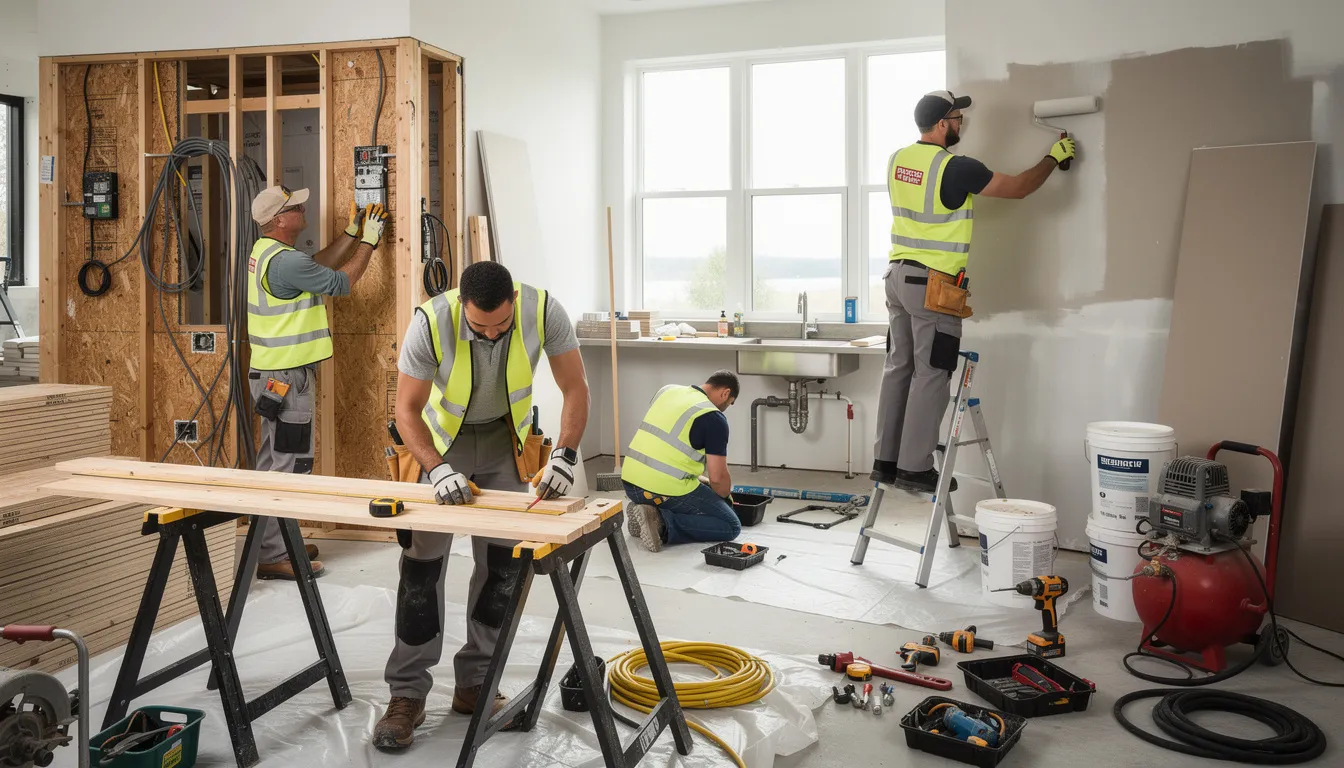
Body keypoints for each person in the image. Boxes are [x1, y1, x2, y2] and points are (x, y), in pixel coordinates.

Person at [373, 260, 590, 749]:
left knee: (500, 570)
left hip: (503, 444)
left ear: (513, 299)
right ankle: (406, 694)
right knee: (421, 571)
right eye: (479, 326)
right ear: (463, 307)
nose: (491, 334)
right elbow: (406, 410)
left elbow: (575, 387)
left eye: (501, 325)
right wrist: (436, 468)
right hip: (441, 442)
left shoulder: (543, 310)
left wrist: (565, 455)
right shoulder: (431, 321)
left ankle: (475, 684)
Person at [871, 90, 1076, 493]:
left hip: (896, 278)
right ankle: (914, 468)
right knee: (933, 373)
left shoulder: (898, 160)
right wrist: (1055, 156)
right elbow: (1018, 188)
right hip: (933, 286)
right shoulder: (955, 167)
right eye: (958, 118)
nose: (962, 123)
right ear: (943, 124)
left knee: (899, 369)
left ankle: (886, 462)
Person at [246, 186, 387, 580]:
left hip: (272, 376)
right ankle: (275, 556)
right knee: (289, 466)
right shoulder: (285, 262)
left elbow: (315, 266)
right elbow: (339, 283)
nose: (302, 207)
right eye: (294, 207)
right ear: (279, 221)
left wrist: (351, 234)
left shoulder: (271, 254)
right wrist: (370, 244)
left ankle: (279, 542)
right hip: (288, 379)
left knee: (272, 462)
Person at [621, 371, 742, 552]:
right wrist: (725, 496)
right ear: (725, 393)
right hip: (661, 489)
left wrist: (700, 480)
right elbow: (718, 479)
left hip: (631, 484)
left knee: (705, 490)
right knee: (730, 524)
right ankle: (660, 522)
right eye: (729, 403)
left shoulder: (666, 391)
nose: (725, 408)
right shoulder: (714, 418)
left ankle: (645, 511)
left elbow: (664, 448)